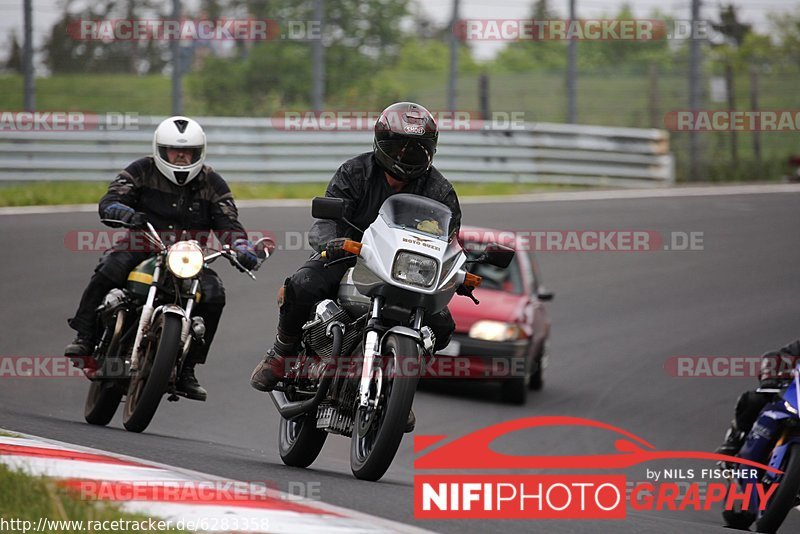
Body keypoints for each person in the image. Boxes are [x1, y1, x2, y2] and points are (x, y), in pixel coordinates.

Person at [249, 102, 462, 431]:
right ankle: (281, 353)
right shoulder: (355, 172)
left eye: (415, 148)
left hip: (406, 272)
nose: (405, 155)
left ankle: (398, 387)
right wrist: (329, 243)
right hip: (349, 256)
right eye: (397, 146)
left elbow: (450, 241)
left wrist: (456, 271)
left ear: (430, 151)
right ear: (380, 143)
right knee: (303, 284)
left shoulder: (440, 191)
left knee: (443, 324)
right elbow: (325, 217)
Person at [64, 116, 259, 401]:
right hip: (143, 242)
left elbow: (229, 223)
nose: (181, 157)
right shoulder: (142, 170)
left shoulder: (212, 182)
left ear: (198, 152)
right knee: (111, 266)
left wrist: (242, 247)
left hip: (187, 254)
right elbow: (111, 200)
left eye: (188, 152)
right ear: (161, 149)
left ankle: (188, 368)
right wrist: (123, 212)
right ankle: (85, 336)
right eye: (174, 151)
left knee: (214, 294)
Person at [716, 339, 800, 455]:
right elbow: (782, 356)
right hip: (793, 395)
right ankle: (735, 439)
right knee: (754, 400)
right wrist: (771, 373)